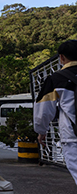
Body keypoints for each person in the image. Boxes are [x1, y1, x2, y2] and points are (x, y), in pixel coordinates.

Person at [34, 39, 77, 185]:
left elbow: (43, 110)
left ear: (62, 57)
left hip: (72, 136)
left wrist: (41, 131)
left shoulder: (56, 79)